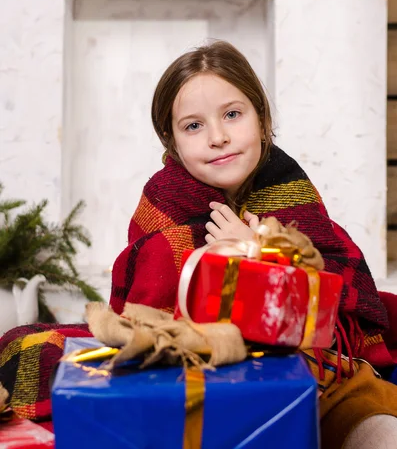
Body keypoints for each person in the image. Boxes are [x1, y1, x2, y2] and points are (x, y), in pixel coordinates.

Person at [1, 40, 397, 448]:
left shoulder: (294, 199)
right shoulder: (164, 217)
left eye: (232, 115)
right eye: (194, 125)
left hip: (322, 381)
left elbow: (340, 308)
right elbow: (149, 324)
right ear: (172, 142)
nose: (218, 137)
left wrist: (262, 254)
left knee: (382, 433)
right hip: (203, 384)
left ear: (261, 120)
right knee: (33, 349)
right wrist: (231, 272)